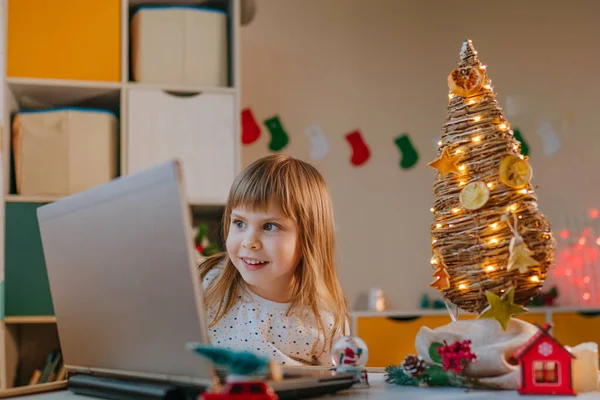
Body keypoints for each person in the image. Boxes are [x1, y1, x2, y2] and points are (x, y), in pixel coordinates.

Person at [199, 154, 349, 366]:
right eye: (239, 223)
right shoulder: (207, 283)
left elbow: (335, 385)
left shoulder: (324, 316)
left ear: (309, 237)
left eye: (269, 226)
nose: (249, 242)